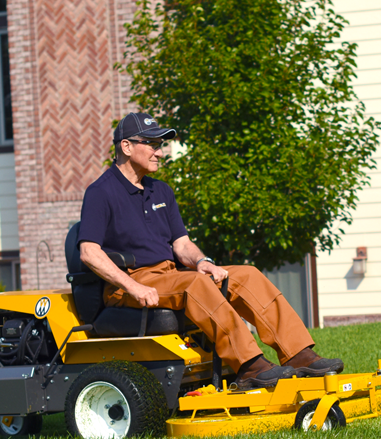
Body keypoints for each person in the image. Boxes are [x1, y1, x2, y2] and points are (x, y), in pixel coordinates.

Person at [73, 111, 344, 389]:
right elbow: (89, 252)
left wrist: (203, 261)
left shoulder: (161, 191)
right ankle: (249, 365)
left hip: (170, 275)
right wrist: (132, 286)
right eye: (153, 144)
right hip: (132, 282)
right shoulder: (100, 192)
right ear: (127, 147)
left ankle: (298, 354)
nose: (160, 153)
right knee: (194, 283)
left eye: (161, 145)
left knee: (246, 275)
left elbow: (181, 244)